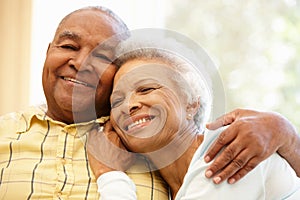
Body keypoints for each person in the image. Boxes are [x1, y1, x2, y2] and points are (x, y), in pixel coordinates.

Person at [0, 5, 298, 200]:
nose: (81, 63)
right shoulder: (131, 140)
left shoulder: (220, 151)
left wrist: (285, 131)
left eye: (146, 88)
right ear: (48, 51)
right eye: (68, 46)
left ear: (192, 103)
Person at [91, 37, 300, 199]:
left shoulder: (228, 151)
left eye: (146, 88)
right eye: (116, 101)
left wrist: (110, 175)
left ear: (191, 103)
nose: (129, 106)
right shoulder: (174, 188)